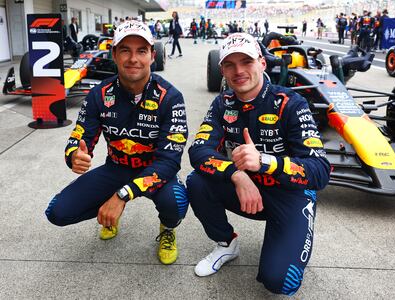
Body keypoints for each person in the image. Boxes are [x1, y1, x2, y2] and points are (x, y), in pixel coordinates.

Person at [186, 33, 331, 295]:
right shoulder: (223, 103)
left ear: (262, 63)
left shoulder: (291, 103)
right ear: (222, 70)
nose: (238, 70)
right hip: (247, 190)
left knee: (280, 282)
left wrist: (266, 162)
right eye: (230, 64)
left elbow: (320, 171)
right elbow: (197, 151)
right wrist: (236, 174)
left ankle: (288, 234)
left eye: (246, 61)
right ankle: (226, 243)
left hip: (290, 194)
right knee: (196, 181)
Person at [45, 21, 189, 265]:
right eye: (125, 50)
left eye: (141, 51)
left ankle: (167, 228)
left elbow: (170, 161)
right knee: (57, 212)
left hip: (155, 171)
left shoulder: (171, 97)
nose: (133, 58)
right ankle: (110, 212)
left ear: (152, 56)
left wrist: (122, 196)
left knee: (175, 202)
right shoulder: (99, 94)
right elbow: (79, 137)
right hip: (116, 168)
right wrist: (73, 155)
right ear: (114, 54)